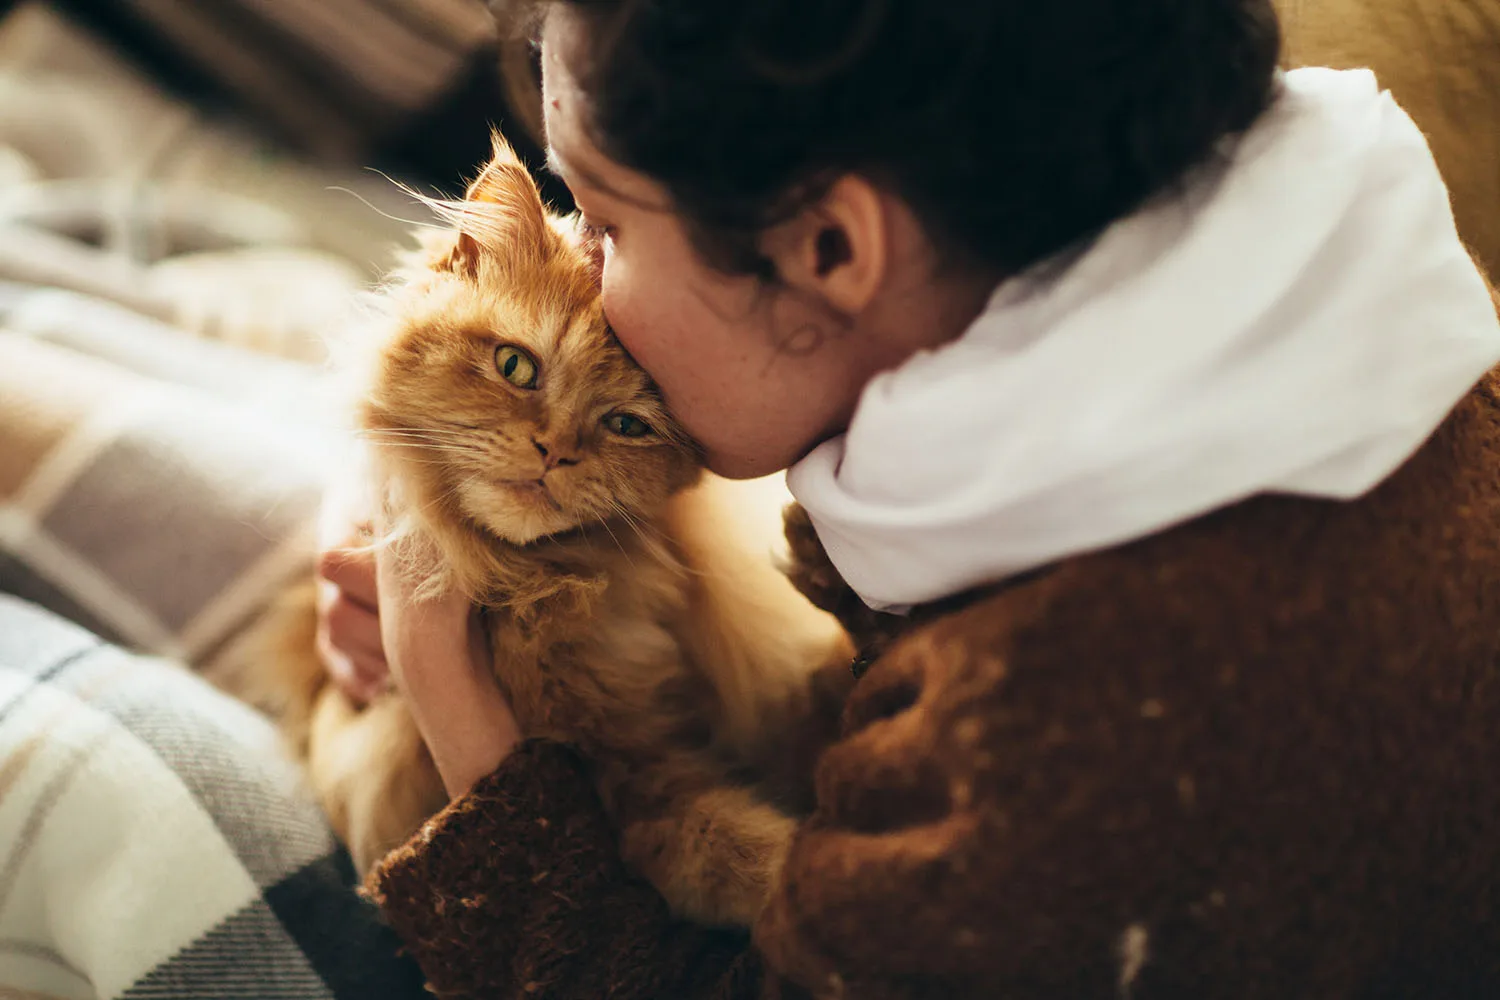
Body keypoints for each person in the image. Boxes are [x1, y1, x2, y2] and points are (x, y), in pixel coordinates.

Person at [316, 0, 1500, 996]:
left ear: (830, 248)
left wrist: (452, 687)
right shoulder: (1355, 311)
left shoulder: (1034, 759)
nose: (583, 268)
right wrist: (422, 462)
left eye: (610, 224)